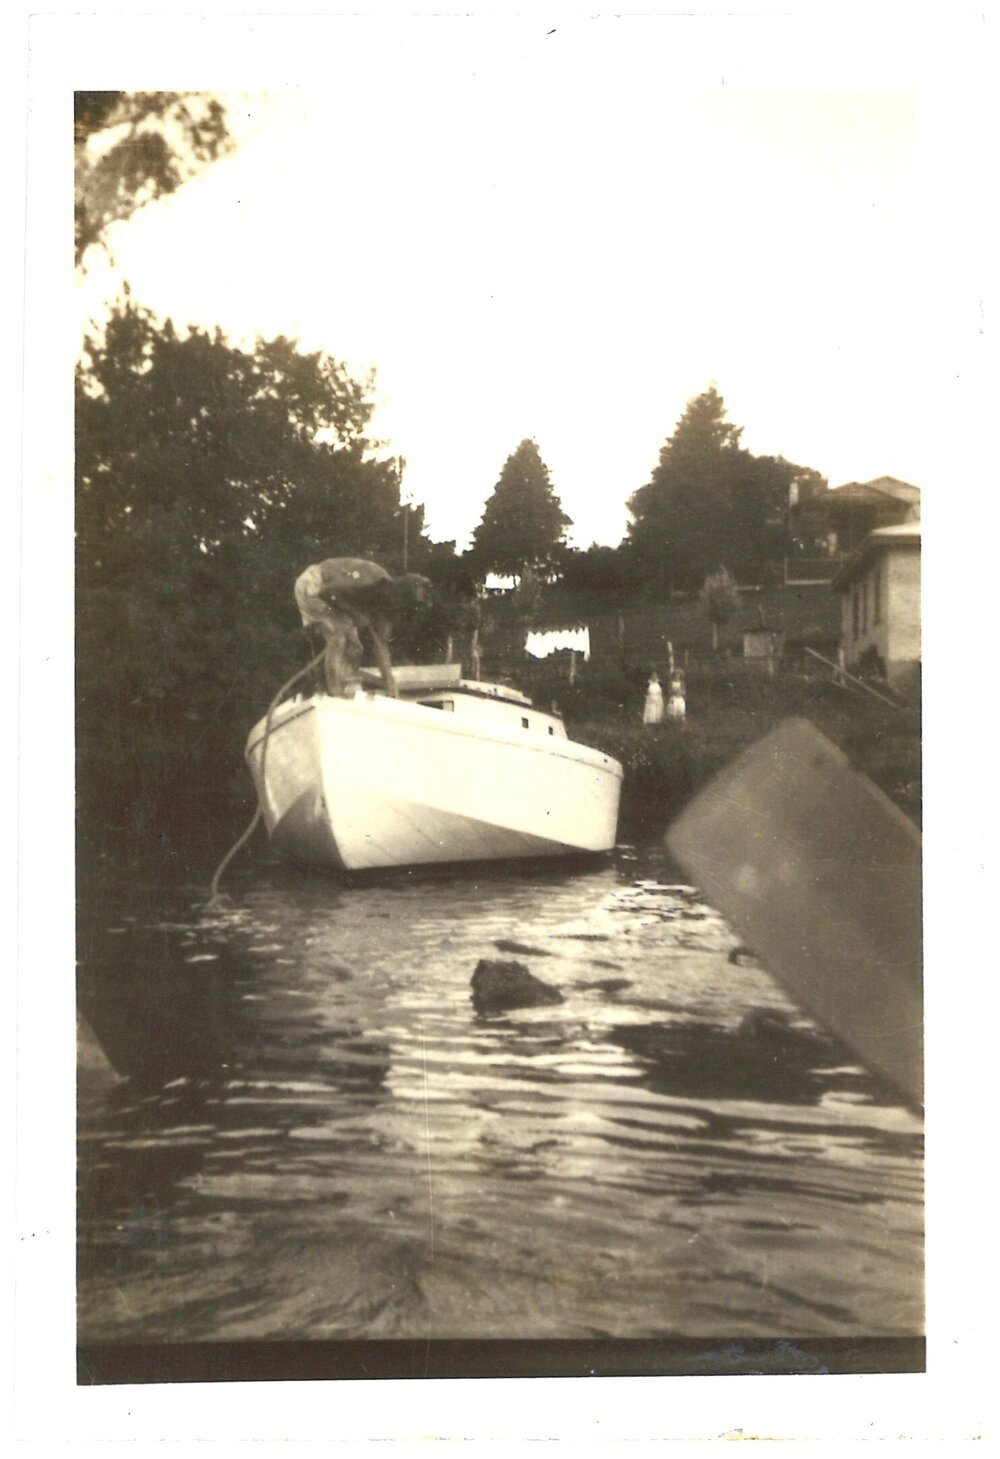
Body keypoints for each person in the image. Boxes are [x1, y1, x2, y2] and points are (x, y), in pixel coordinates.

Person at [294, 558, 432, 697]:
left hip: (336, 598)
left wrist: (389, 682)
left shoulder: (389, 608)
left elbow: (381, 646)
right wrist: (353, 614)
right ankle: (334, 693)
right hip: (315, 584)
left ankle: (345, 689)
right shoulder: (368, 581)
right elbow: (326, 592)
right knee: (338, 641)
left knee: (355, 649)